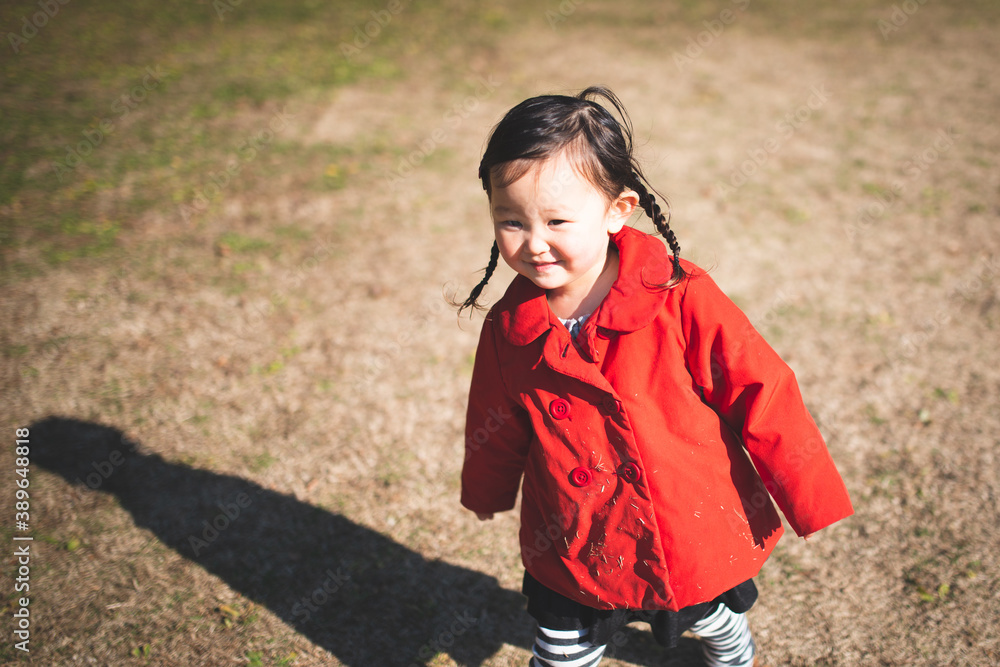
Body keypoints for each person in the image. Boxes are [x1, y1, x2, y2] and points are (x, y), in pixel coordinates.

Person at [458, 86, 853, 667]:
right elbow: (496, 422)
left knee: (710, 615)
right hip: (574, 534)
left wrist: (808, 493)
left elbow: (762, 391)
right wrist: (486, 490)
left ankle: (732, 651)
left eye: (557, 220)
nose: (534, 243)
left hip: (683, 525)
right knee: (561, 648)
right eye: (510, 220)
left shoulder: (678, 294)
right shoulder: (509, 327)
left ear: (617, 210)